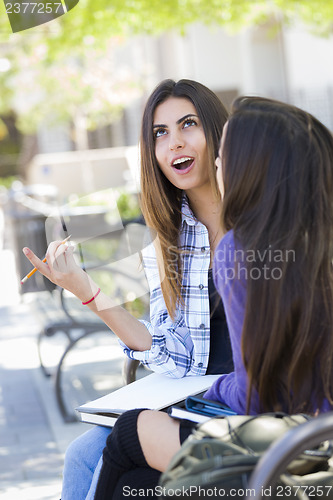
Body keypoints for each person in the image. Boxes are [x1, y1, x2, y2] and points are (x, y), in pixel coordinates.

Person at [93, 96, 333, 499]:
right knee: (135, 479)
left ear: (252, 166)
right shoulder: (313, 236)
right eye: (160, 133)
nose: (176, 144)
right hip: (310, 435)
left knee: (130, 435)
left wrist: (214, 390)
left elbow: (260, 395)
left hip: (296, 448)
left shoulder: (242, 248)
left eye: (224, 155)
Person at [22, 79, 233, 499]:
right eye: (160, 133)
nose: (174, 143)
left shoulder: (264, 222)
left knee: (129, 482)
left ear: (217, 134)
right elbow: (175, 355)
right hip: (195, 399)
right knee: (82, 454)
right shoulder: (168, 243)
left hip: (251, 404)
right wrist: (87, 291)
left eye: (187, 124)